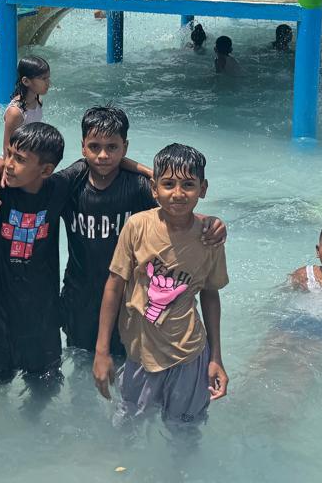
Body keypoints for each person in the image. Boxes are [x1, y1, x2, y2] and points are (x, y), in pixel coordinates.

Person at [92, 143, 229, 435]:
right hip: (140, 353)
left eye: (188, 185)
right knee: (127, 425)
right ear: (154, 188)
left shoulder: (210, 237)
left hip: (189, 354)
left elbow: (210, 294)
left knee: (183, 433)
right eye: (168, 184)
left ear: (203, 189)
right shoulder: (137, 226)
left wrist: (216, 358)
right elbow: (114, 286)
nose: (178, 193)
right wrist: (101, 350)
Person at [0, 122, 71, 389]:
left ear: (46, 170)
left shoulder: (59, 188)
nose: (9, 164)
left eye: (19, 159)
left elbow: (98, 162)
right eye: (9, 154)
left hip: (43, 317)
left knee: (46, 387)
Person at [3, 55, 51, 152]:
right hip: (16, 157)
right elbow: (7, 147)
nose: (48, 83)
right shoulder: (16, 112)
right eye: (43, 79)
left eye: (48, 78)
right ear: (26, 81)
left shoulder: (38, 101)